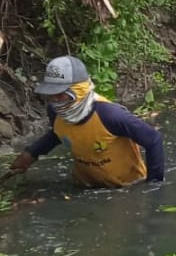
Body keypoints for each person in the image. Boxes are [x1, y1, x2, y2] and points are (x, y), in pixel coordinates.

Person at [7, 55, 164, 188]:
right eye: (51, 94)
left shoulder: (109, 115)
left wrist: (153, 187)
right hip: (84, 186)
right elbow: (59, 133)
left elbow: (153, 139)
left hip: (126, 187)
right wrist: (31, 153)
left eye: (60, 94)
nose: (55, 100)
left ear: (78, 90)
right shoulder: (55, 111)